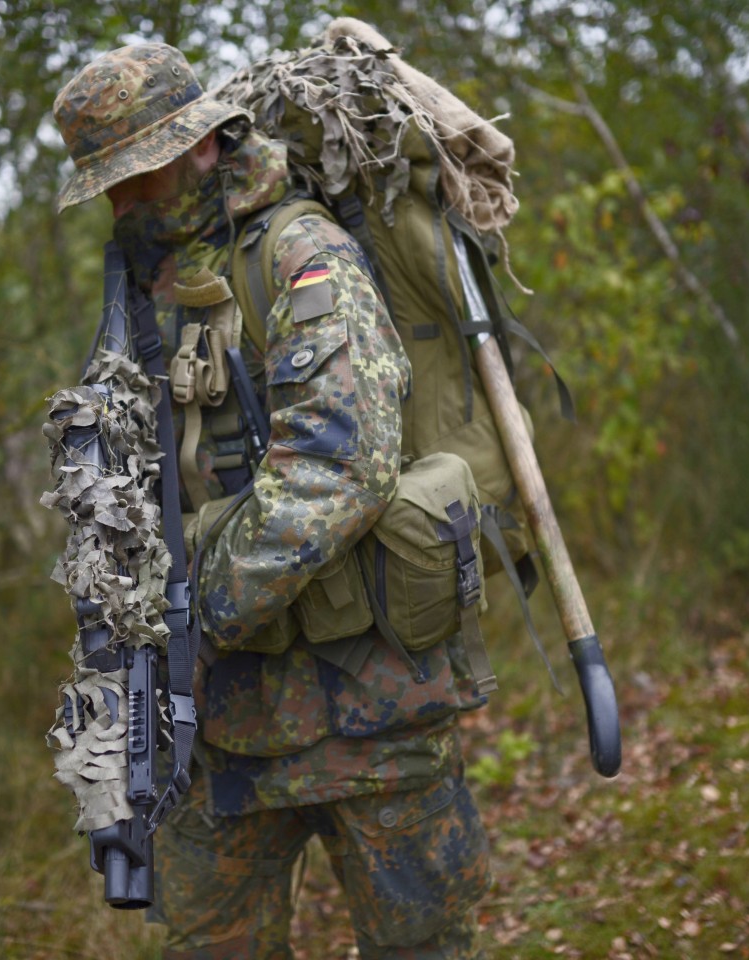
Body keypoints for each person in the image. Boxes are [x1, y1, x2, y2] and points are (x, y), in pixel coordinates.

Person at [52, 41, 492, 960]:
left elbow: (340, 463)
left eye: (138, 174)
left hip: (371, 713)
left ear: (203, 145)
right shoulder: (139, 289)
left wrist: (195, 624)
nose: (121, 200)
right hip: (217, 741)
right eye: (110, 183)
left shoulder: (300, 251)